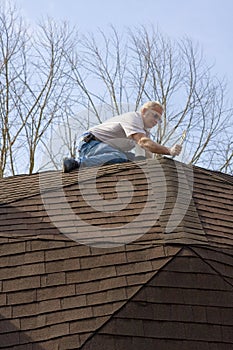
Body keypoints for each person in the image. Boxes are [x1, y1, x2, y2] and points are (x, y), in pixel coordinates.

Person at [62, 101, 182, 172]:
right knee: (119, 156)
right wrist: (168, 150)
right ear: (144, 111)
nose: (156, 121)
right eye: (155, 116)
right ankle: (77, 163)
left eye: (159, 120)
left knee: (131, 160)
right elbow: (143, 142)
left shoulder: (144, 131)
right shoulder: (134, 118)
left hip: (104, 150)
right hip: (90, 145)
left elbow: (145, 159)